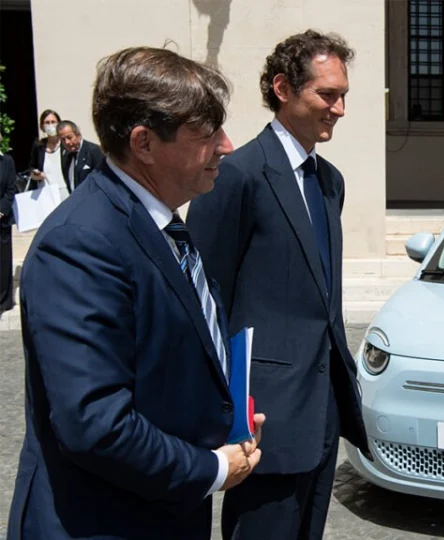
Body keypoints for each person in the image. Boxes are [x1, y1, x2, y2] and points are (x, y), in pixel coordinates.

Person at [6, 46, 265, 539]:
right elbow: (96, 424)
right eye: (207, 134)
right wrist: (210, 468)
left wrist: (227, 423)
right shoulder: (81, 242)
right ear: (144, 142)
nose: (227, 146)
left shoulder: (163, 225)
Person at [187, 30, 371, 539]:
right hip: (263, 419)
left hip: (323, 408)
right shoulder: (236, 174)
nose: (338, 109)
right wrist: (223, 414)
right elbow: (204, 300)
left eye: (343, 96)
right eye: (327, 95)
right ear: (284, 88)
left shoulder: (329, 179)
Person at [26, 109, 68, 197]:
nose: (50, 125)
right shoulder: (38, 146)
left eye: (53, 122)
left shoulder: (66, 144)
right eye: (47, 122)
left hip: (66, 191)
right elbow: (32, 167)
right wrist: (36, 175)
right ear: (42, 126)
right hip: (47, 193)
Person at [57, 120, 105, 194]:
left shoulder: (94, 151)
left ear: (78, 135)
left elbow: (102, 179)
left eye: (69, 137)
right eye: (63, 139)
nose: (67, 142)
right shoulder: (65, 155)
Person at [0, 139, 16, 312]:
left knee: (3, 261)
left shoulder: (7, 162)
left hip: (1, 220)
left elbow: (11, 189)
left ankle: (4, 300)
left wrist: (1, 210)